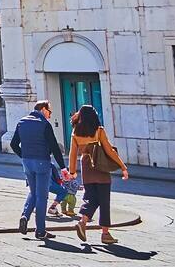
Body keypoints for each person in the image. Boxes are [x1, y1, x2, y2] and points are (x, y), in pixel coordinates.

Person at [67, 104, 127, 244]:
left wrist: (72, 172)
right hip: (100, 167)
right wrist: (123, 166)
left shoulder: (75, 132)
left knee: (91, 198)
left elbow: (72, 154)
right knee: (104, 201)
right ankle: (105, 234)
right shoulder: (99, 130)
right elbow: (109, 151)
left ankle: (83, 222)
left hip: (86, 167)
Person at [10, 100, 67, 241]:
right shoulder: (44, 124)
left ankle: (25, 215)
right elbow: (54, 147)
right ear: (42, 109)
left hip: (27, 163)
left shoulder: (21, 122)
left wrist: (23, 156)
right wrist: (63, 167)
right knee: (42, 196)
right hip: (42, 162)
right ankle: (40, 231)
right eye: (49, 111)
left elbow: (13, 144)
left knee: (33, 192)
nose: (50, 114)